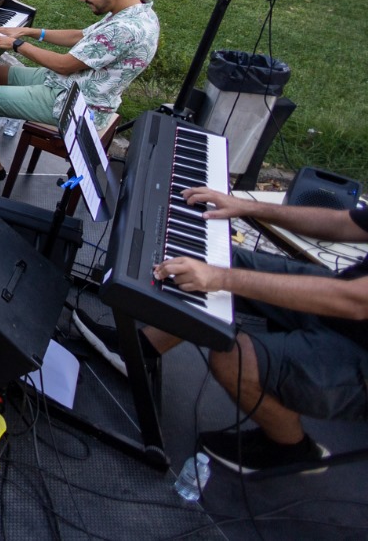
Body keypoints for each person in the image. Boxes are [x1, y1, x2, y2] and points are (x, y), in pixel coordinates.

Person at [73, 192, 368, 475]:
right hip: (343, 305)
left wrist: (219, 279)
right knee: (214, 260)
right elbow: (346, 223)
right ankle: (141, 350)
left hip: (358, 340)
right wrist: (246, 206)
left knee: (234, 358)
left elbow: (354, 301)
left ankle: (291, 447)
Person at [0, 0, 158, 180]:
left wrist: (16, 45)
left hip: (76, 104)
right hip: (70, 82)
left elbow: (63, 64)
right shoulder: (138, 12)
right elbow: (81, 36)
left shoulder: (124, 29)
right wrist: (29, 32)